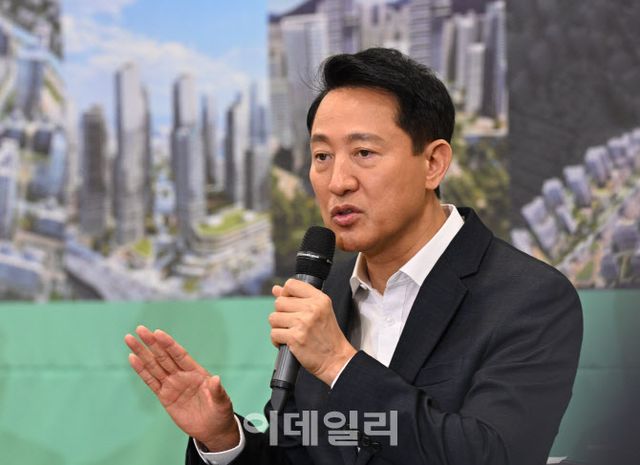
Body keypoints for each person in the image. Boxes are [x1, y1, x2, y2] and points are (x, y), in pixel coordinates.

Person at [125, 48, 583, 465]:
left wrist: (339, 365)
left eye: (363, 152)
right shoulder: (327, 294)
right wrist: (224, 438)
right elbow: (300, 453)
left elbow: (493, 454)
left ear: (433, 164)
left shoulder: (528, 298)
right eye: (322, 156)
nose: (338, 181)